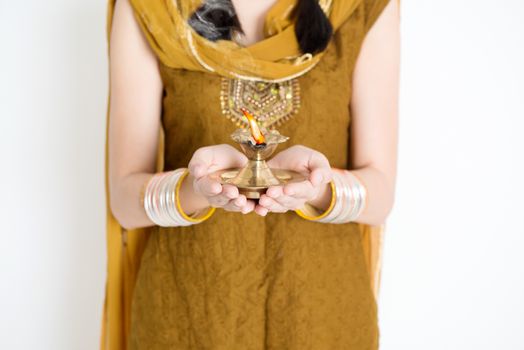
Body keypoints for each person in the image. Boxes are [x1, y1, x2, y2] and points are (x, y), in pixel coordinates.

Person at [101, 0, 400, 348]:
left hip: (322, 315)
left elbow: (380, 197)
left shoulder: (360, 7)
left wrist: (316, 187)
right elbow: (124, 201)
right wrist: (198, 188)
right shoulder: (154, 9)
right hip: (188, 315)